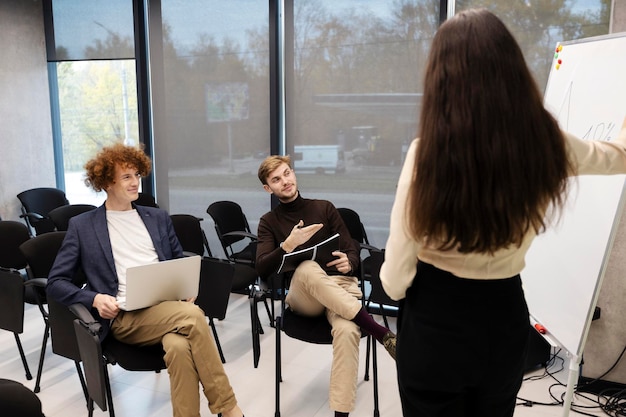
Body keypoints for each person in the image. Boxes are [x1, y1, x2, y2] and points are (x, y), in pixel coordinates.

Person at [380, 8, 626, 417]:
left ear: (441, 80)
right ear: (512, 71)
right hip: (503, 320)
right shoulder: (547, 144)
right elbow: (618, 156)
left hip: (435, 326)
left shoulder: (426, 154)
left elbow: (394, 279)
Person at [46, 143, 245, 417]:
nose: (135, 182)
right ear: (107, 182)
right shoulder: (83, 226)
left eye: (137, 175)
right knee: (192, 316)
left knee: (178, 347)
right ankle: (228, 407)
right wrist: (94, 298)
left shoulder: (157, 217)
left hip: (165, 306)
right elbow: (56, 282)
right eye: (126, 176)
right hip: (125, 316)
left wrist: (186, 287)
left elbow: (177, 261)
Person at [255, 155, 396, 417]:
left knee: (347, 330)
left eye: (286, 173)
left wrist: (349, 261)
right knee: (308, 267)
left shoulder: (324, 207)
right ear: (268, 188)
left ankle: (340, 413)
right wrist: (288, 244)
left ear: (293, 173)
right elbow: (262, 267)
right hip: (304, 297)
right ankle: (378, 330)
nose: (284, 181)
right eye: (276, 179)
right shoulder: (268, 222)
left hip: (339, 286)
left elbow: (351, 245)